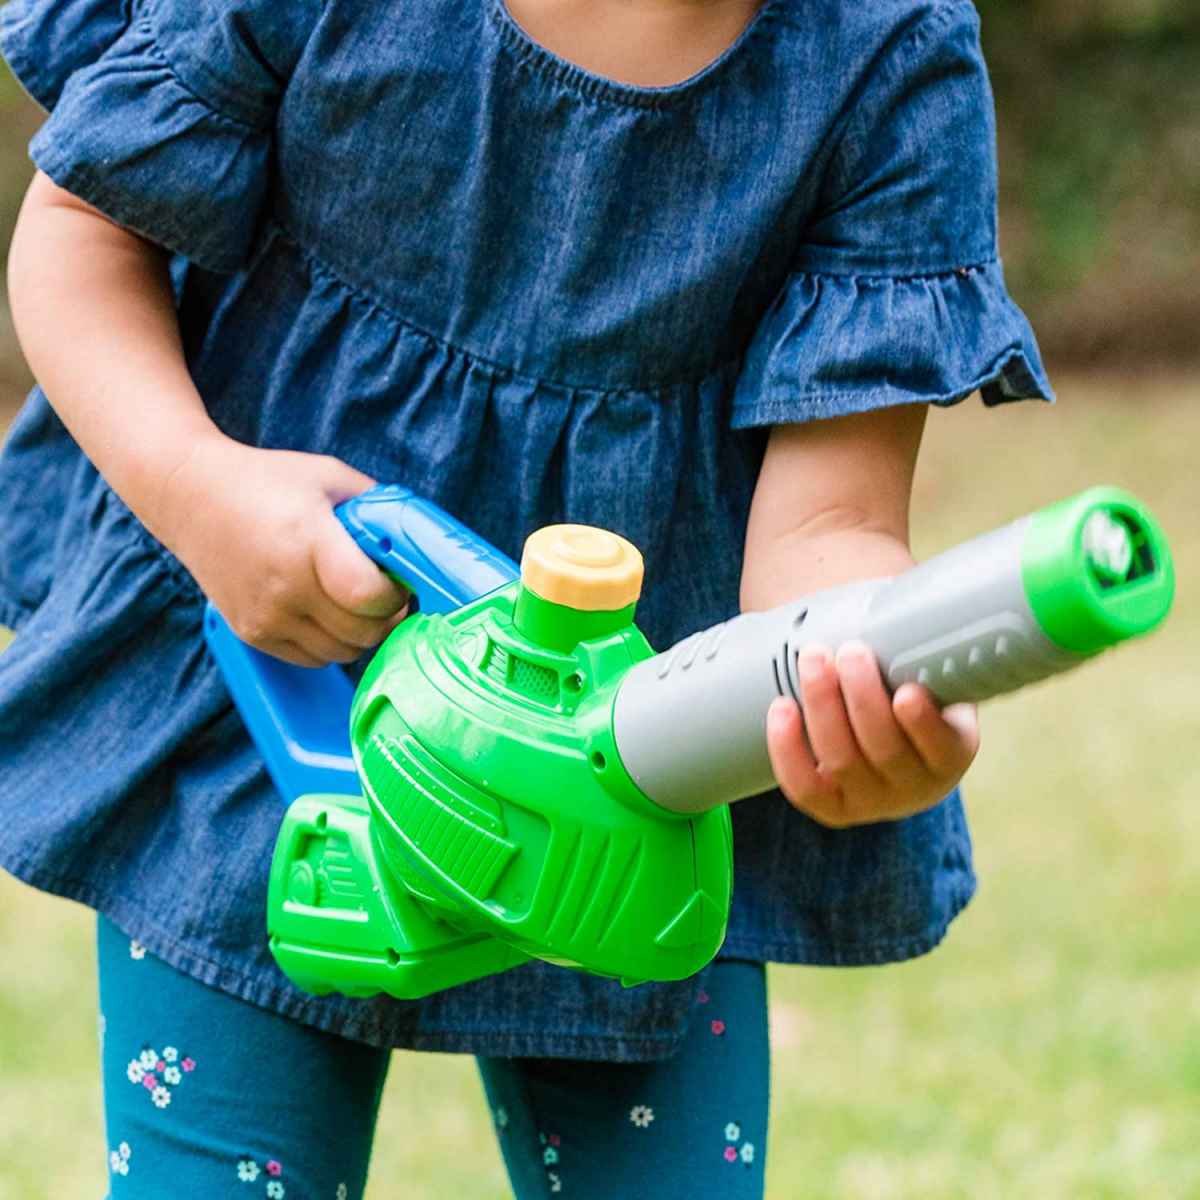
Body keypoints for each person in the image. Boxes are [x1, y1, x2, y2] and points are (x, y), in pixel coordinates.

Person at [0, 0, 1052, 1193]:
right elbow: (82, 228)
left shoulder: (883, 46)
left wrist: (865, 678)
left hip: (633, 785)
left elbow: (831, 524)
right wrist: (200, 491)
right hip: (264, 705)